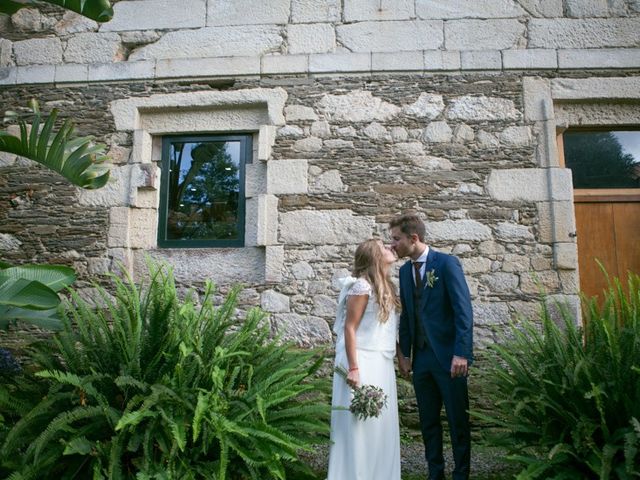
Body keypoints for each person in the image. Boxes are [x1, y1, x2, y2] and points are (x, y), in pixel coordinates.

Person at [389, 213, 474, 480]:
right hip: (422, 358)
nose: (392, 245)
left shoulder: (447, 264)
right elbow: (407, 315)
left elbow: (464, 312)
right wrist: (403, 354)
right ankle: (434, 473)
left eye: (396, 239)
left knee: (458, 420)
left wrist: (462, 353)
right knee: (428, 421)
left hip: (450, 357)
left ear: (413, 238)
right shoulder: (404, 271)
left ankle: (461, 474)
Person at [327, 239, 402, 480]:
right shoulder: (361, 287)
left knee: (381, 426)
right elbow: (349, 328)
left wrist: (401, 356)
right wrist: (354, 368)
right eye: (384, 246)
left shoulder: (386, 285)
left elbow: (386, 329)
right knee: (358, 425)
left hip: (381, 361)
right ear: (374, 257)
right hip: (361, 360)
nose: (391, 246)